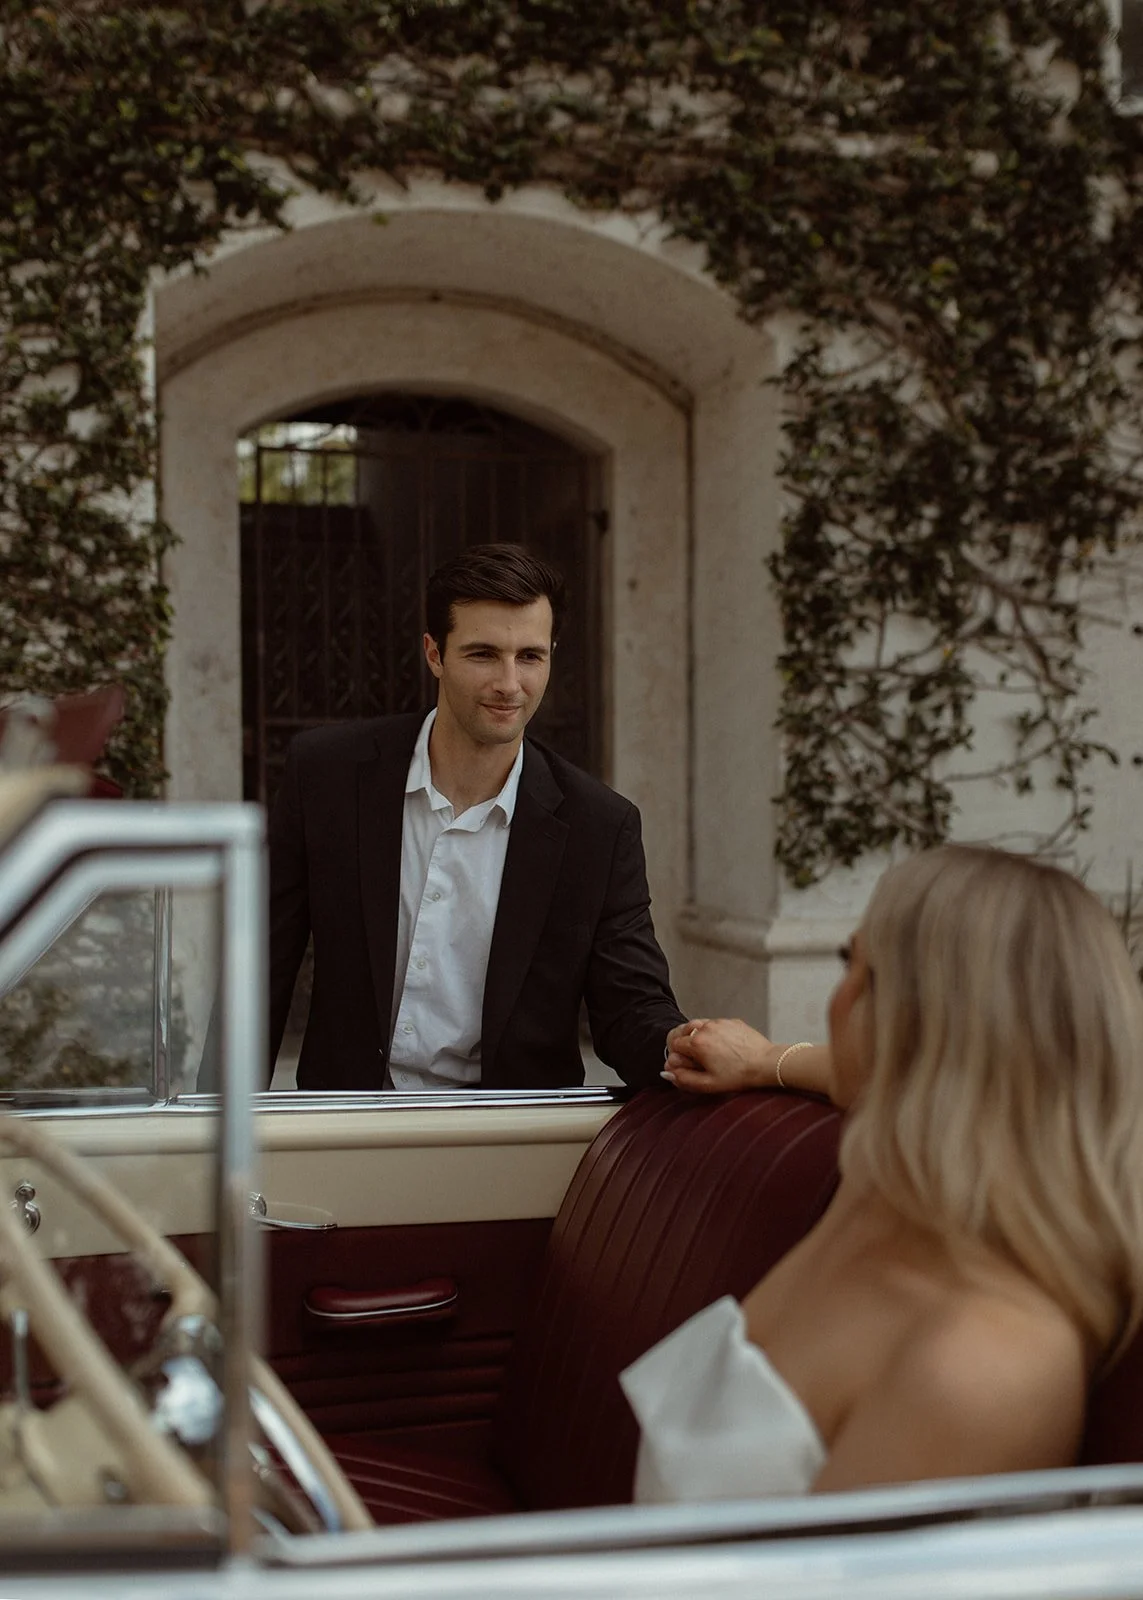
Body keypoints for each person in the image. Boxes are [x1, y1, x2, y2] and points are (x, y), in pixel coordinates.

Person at [620, 845, 1143, 1500]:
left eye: (861, 975)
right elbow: (866, 1076)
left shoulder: (982, 1364)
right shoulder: (887, 1180)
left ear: (939, 1035)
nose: (836, 1003)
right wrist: (762, 1060)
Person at [267, 542, 686, 1092]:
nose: (509, 684)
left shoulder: (601, 827)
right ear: (434, 654)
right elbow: (260, 968)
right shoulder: (325, 776)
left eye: (530, 656)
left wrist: (681, 1046)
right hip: (350, 1119)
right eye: (483, 654)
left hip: (508, 1128)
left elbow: (631, 1006)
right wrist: (212, 1126)